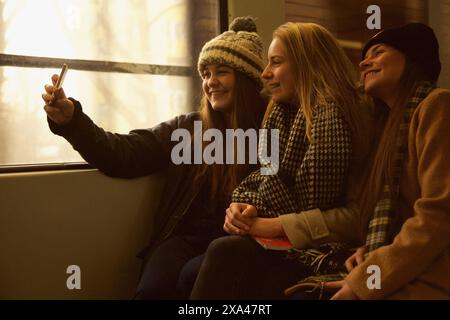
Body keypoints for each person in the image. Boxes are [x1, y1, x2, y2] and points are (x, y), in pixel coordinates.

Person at [41, 17, 267, 299]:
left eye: (221, 72)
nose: (211, 82)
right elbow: (124, 153)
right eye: (206, 74)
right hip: (184, 240)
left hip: (238, 241)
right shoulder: (188, 129)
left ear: (247, 79)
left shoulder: (270, 133)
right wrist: (72, 120)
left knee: (192, 277)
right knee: (152, 290)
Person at [190, 22, 374, 299]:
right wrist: (244, 205)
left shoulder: (338, 117)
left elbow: (357, 214)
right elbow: (265, 177)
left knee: (223, 253)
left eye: (276, 62)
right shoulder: (280, 115)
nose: (266, 74)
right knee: (195, 267)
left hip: (325, 247)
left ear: (307, 64)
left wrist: (278, 224)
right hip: (286, 237)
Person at [318, 22, 450, 300]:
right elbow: (398, 217)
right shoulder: (386, 128)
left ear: (412, 59)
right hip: (413, 266)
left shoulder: (438, 106)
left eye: (378, 52)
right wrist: (370, 252)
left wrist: (367, 279)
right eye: (365, 57)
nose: (365, 63)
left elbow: (439, 215)